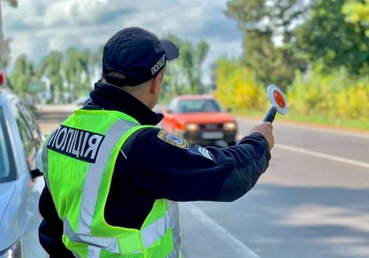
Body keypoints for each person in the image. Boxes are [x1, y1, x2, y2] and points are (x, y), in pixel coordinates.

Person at [38, 27, 274, 258]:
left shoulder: (59, 137)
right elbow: (229, 174)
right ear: (155, 82)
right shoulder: (138, 145)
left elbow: (51, 227)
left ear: (105, 74)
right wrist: (260, 139)